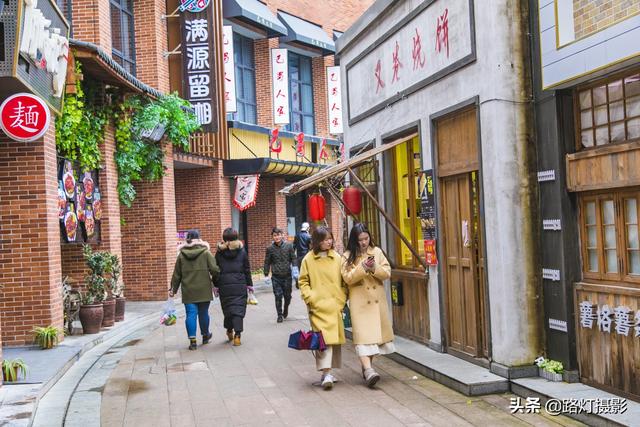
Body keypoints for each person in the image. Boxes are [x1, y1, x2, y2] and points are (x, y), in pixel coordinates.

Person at [341, 223, 394, 388]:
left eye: (366, 238)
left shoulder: (376, 252)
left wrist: (374, 267)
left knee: (373, 341)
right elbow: (347, 278)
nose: (364, 242)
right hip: (360, 303)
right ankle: (369, 370)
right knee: (363, 339)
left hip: (376, 301)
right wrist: (362, 267)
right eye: (360, 240)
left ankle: (367, 368)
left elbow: (387, 273)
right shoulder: (347, 256)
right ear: (354, 240)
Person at [298, 226, 348, 390]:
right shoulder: (308, 259)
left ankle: (328, 372)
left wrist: (341, 299)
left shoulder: (337, 258)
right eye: (326, 239)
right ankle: (326, 373)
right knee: (323, 341)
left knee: (332, 341)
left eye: (330, 238)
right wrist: (310, 298)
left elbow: (344, 280)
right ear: (318, 241)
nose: (330, 241)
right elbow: (303, 281)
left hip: (334, 304)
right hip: (318, 305)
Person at [170, 230, 219, 350]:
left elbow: (177, 274)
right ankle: (205, 335)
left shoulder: (181, 255)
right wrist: (215, 281)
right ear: (199, 239)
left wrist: (173, 289)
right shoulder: (206, 253)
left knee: (190, 314)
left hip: (188, 290)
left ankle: (192, 340)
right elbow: (215, 269)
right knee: (203, 313)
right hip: (203, 289)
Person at [214, 228, 252, 346]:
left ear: (224, 239)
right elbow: (247, 269)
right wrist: (249, 284)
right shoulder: (242, 251)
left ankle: (229, 330)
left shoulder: (219, 252)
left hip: (224, 286)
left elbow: (216, 271)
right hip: (240, 285)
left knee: (228, 310)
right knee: (238, 310)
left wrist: (215, 285)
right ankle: (237, 336)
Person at [263, 227, 296, 323]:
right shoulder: (270, 249)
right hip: (276, 276)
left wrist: (295, 268)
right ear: (272, 237)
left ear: (282, 235)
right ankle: (279, 315)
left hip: (287, 276)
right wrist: (266, 274)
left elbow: (293, 258)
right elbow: (267, 262)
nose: (276, 237)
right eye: (274, 235)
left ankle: (286, 308)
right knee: (278, 296)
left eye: (278, 235)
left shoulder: (289, 246)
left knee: (287, 296)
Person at [293, 222, 312, 288]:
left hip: (298, 255)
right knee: (306, 270)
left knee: (300, 270)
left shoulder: (297, 235)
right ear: (307, 228)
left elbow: (294, 246)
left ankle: (298, 283)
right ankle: (306, 283)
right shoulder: (308, 236)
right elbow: (311, 247)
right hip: (306, 255)